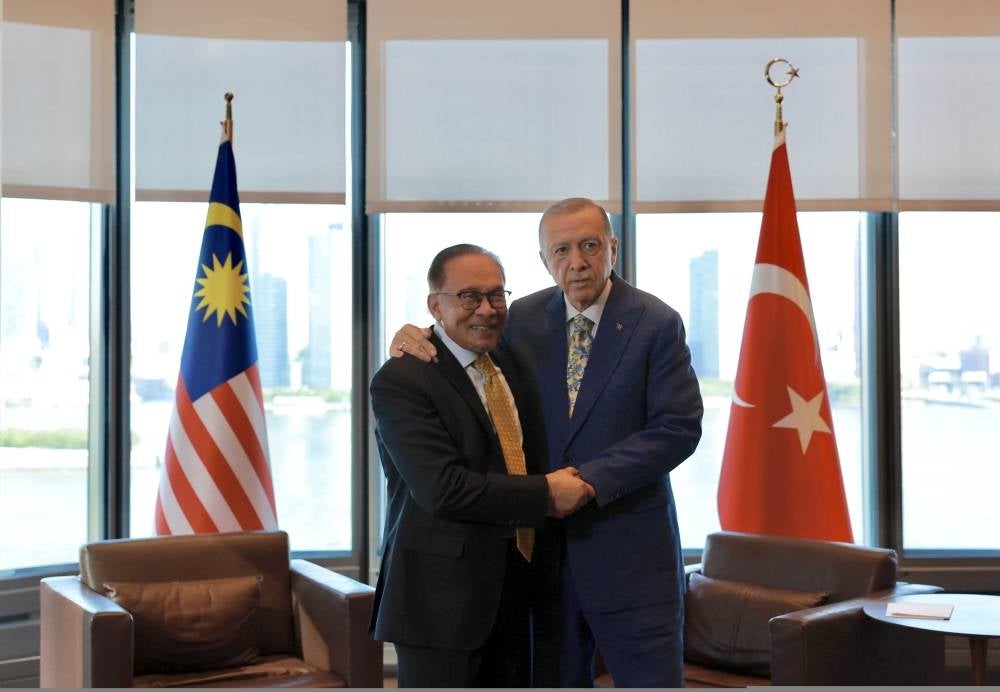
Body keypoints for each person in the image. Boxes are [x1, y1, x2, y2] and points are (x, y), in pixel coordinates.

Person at [389, 198, 704, 687]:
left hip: (631, 556)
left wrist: (589, 481)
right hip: (542, 561)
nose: (577, 262)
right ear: (543, 260)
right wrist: (416, 336)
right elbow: (467, 345)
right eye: (561, 250)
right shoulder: (521, 318)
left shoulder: (656, 321)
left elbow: (677, 428)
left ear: (613, 248)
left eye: (590, 246)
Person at [370, 243, 595, 688]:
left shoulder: (509, 363)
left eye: (496, 295)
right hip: (440, 606)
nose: (487, 310)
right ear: (436, 306)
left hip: (518, 594)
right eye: (469, 296)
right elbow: (443, 489)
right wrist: (547, 493)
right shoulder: (402, 379)